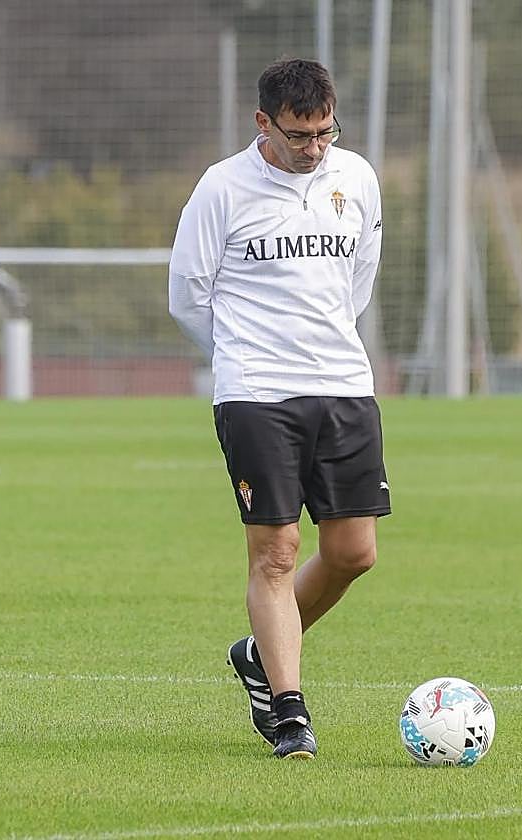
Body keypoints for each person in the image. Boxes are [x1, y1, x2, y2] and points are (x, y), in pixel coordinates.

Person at [168, 58, 389, 759]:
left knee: (353, 553)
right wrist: (241, 355)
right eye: (300, 135)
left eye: (326, 131)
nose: (315, 147)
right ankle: (288, 711)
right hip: (257, 392)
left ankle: (260, 656)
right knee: (276, 552)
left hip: (344, 385)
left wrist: (325, 346)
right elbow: (188, 296)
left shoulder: (355, 178)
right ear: (263, 123)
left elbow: (358, 280)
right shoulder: (221, 188)